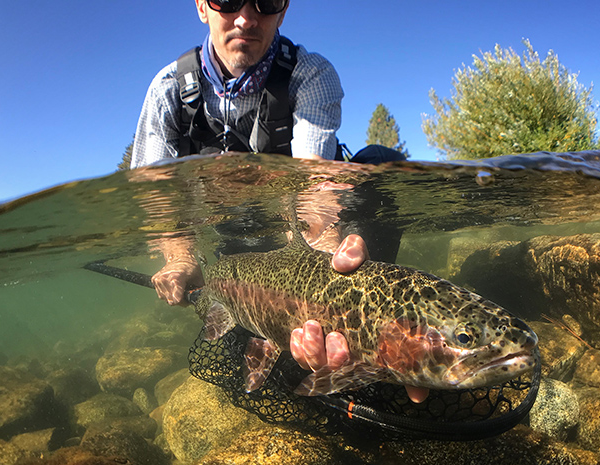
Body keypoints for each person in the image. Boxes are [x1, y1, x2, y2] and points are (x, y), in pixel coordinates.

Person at [131, 0, 423, 402]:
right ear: (201, 6)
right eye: (228, 0)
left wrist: (319, 288)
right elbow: (157, 200)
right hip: (229, 234)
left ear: (283, 11)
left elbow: (315, 190)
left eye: (266, 2)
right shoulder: (167, 91)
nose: (246, 18)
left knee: (382, 168)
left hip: (306, 232)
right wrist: (181, 258)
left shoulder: (311, 74)